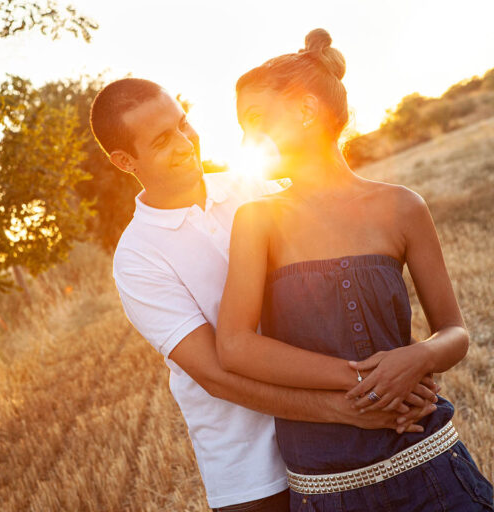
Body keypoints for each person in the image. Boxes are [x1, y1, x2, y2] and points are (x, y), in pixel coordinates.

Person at [89, 78, 437, 512]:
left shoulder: (256, 189)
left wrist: (401, 370)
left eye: (183, 124)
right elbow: (215, 375)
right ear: (125, 161)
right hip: (252, 471)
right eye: (162, 140)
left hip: (339, 443)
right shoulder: (138, 258)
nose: (185, 143)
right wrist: (352, 401)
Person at [215, 28, 494, 511]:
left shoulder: (403, 207)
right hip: (328, 491)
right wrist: (363, 380)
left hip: (434, 472)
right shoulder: (257, 220)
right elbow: (235, 345)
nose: (245, 138)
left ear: (306, 111)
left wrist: (418, 357)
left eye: (255, 119)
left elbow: (455, 333)